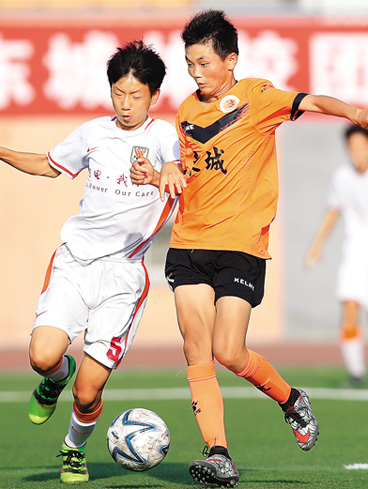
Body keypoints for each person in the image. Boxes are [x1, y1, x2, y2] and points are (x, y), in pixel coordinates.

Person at [131, 10, 368, 488]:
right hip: (188, 243)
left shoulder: (257, 97)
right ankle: (218, 453)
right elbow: (193, 172)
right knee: (196, 350)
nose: (196, 73)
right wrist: (159, 175)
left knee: (229, 350)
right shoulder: (186, 112)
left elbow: (310, 100)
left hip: (240, 247)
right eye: (189, 64)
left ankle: (290, 399)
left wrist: (355, 113)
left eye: (204, 63)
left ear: (230, 60)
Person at [0, 40, 179, 483]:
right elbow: (48, 164)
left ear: (154, 96)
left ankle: (73, 449)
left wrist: (162, 173)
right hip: (75, 263)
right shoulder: (92, 133)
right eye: (118, 93)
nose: (125, 104)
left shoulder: (164, 137)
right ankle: (54, 377)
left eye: (135, 95)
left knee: (88, 392)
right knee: (42, 357)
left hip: (123, 277)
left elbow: (177, 173)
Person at [305, 125, 368, 388]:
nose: (356, 152)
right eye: (352, 147)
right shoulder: (342, 177)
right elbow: (333, 211)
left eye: (361, 146)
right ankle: (355, 372)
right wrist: (316, 245)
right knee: (349, 310)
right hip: (355, 254)